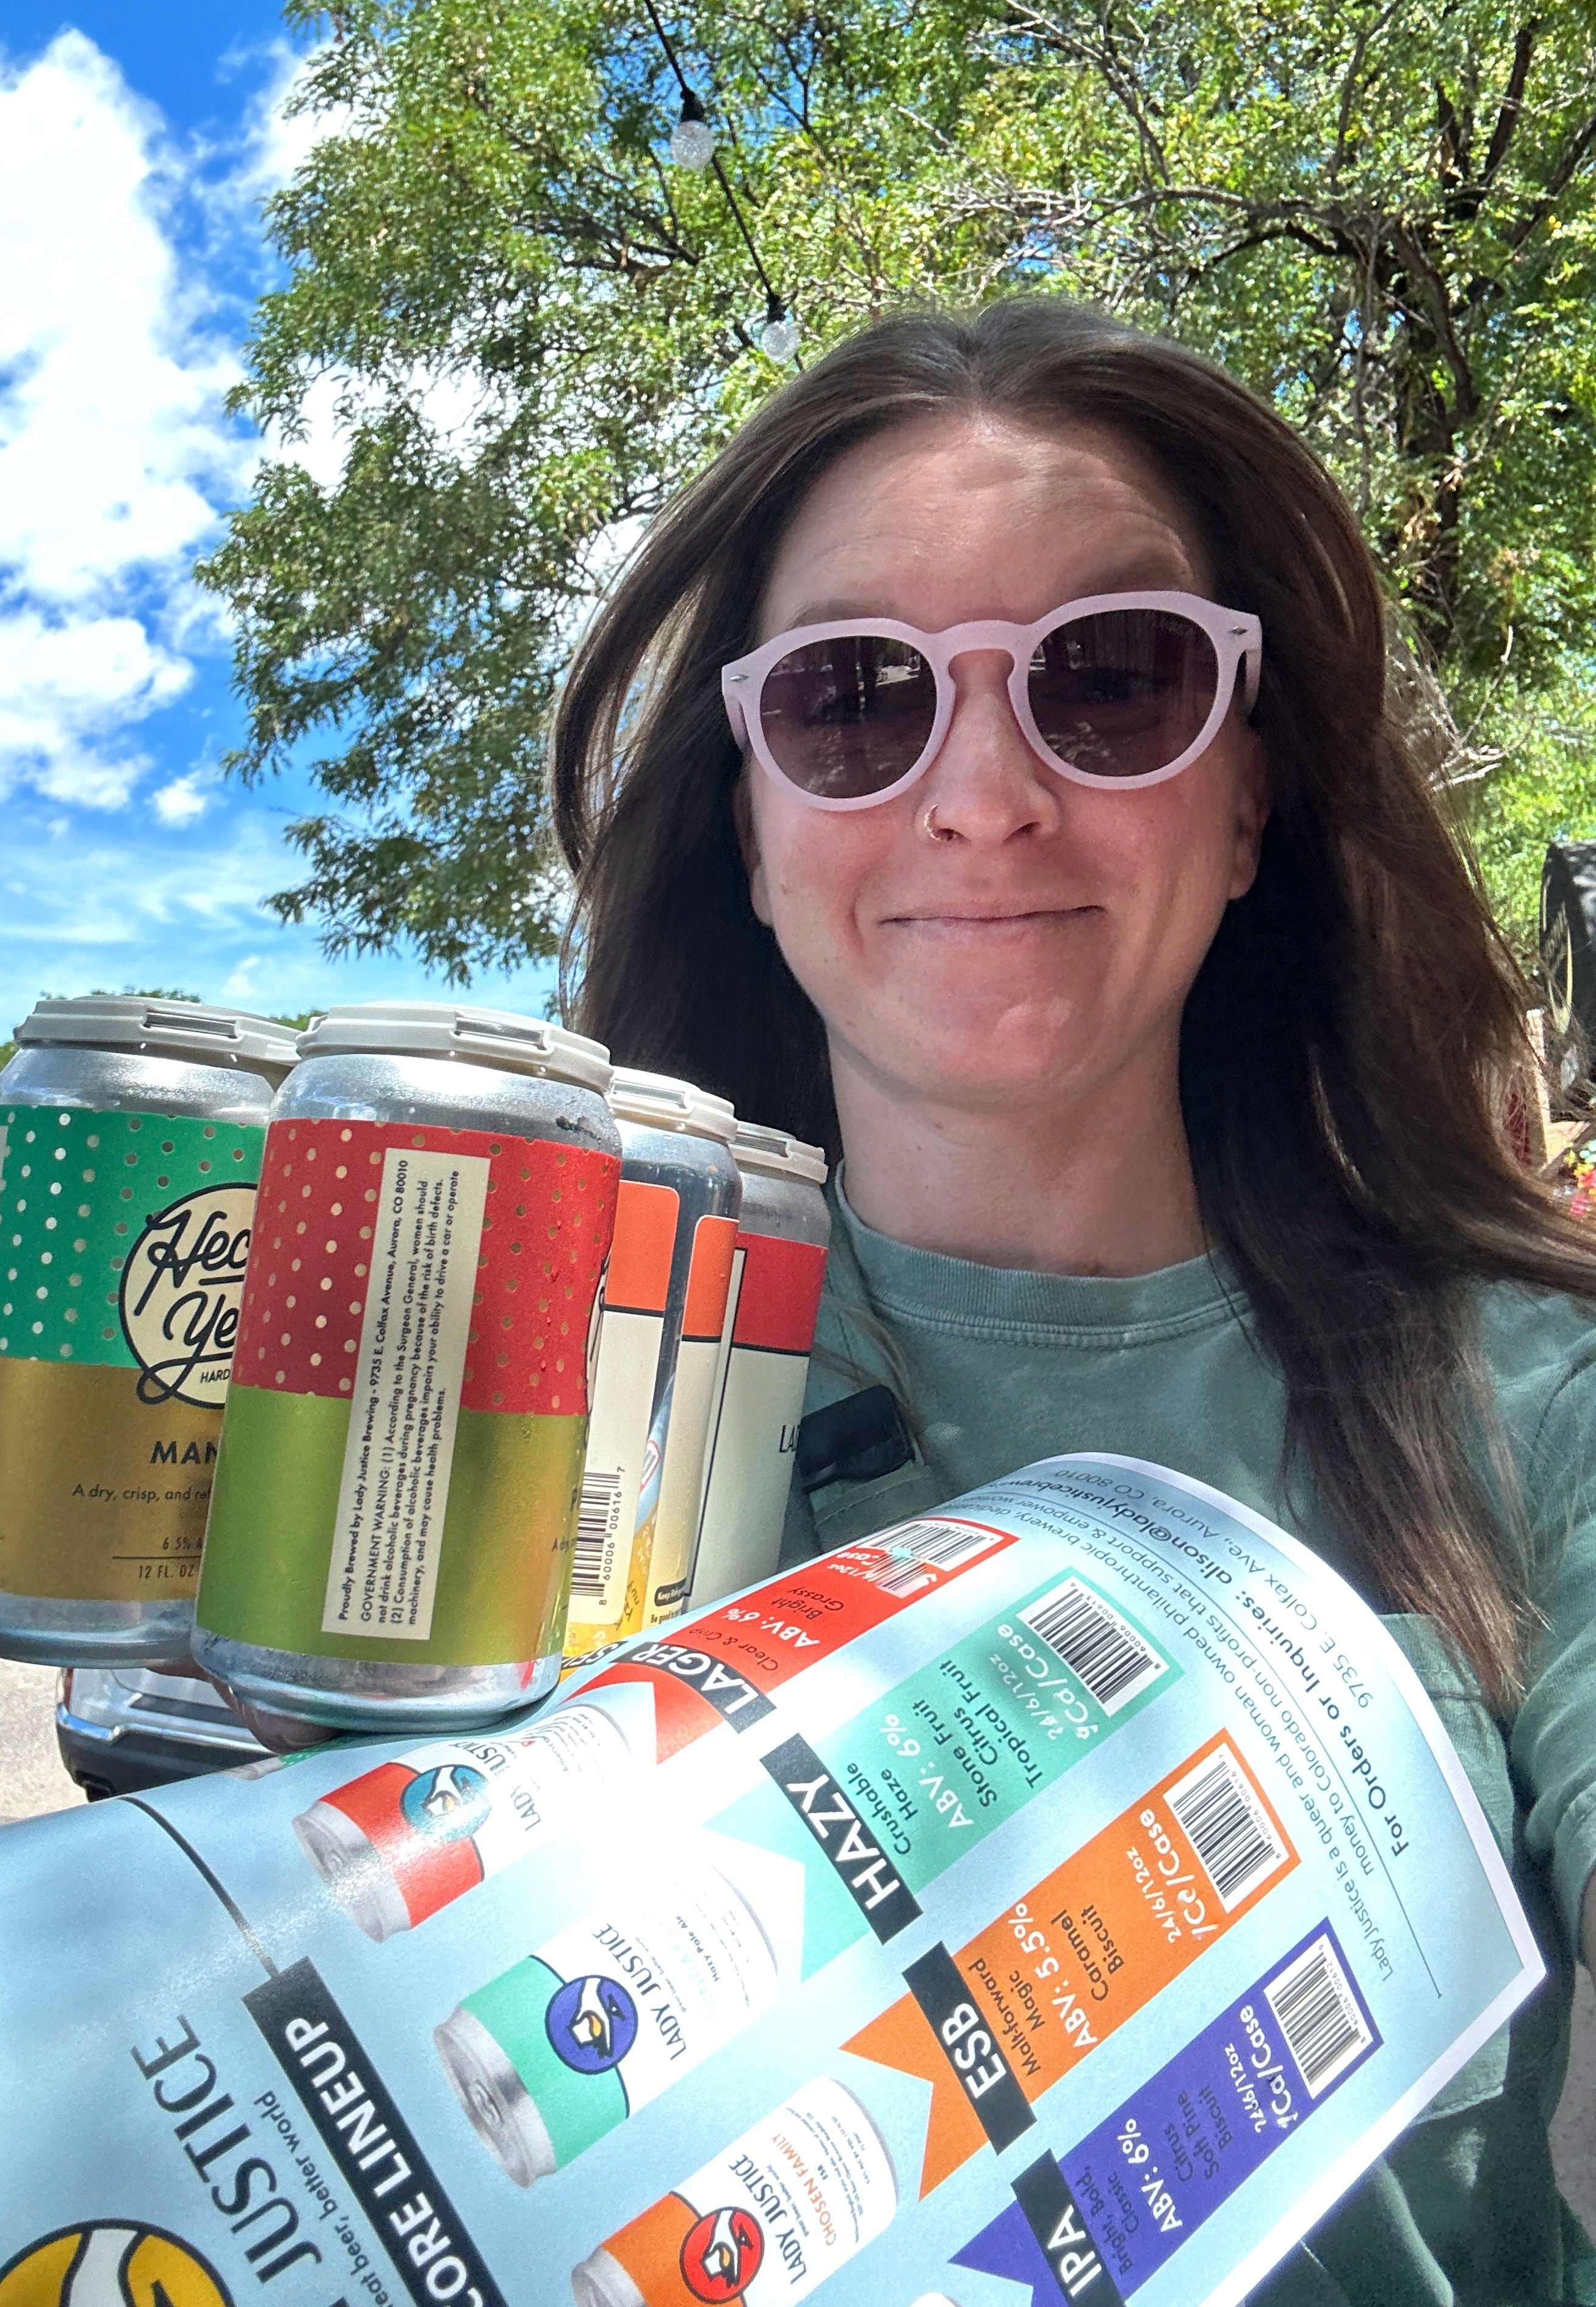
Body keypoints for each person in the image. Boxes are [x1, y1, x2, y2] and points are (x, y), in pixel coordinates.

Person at [552, 299, 1596, 2305]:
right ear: (753, 827)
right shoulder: (569, 1388)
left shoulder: (1534, 1398)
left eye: (1110, 682)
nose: (987, 795)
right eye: (859, 702)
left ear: (1250, 798)